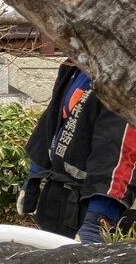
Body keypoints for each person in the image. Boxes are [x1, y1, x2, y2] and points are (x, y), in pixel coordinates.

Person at [18, 60, 136, 243]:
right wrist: (34, 173)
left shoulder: (126, 75)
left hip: (90, 205)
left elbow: (119, 149)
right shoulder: (76, 65)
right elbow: (52, 120)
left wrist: (100, 218)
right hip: (56, 197)